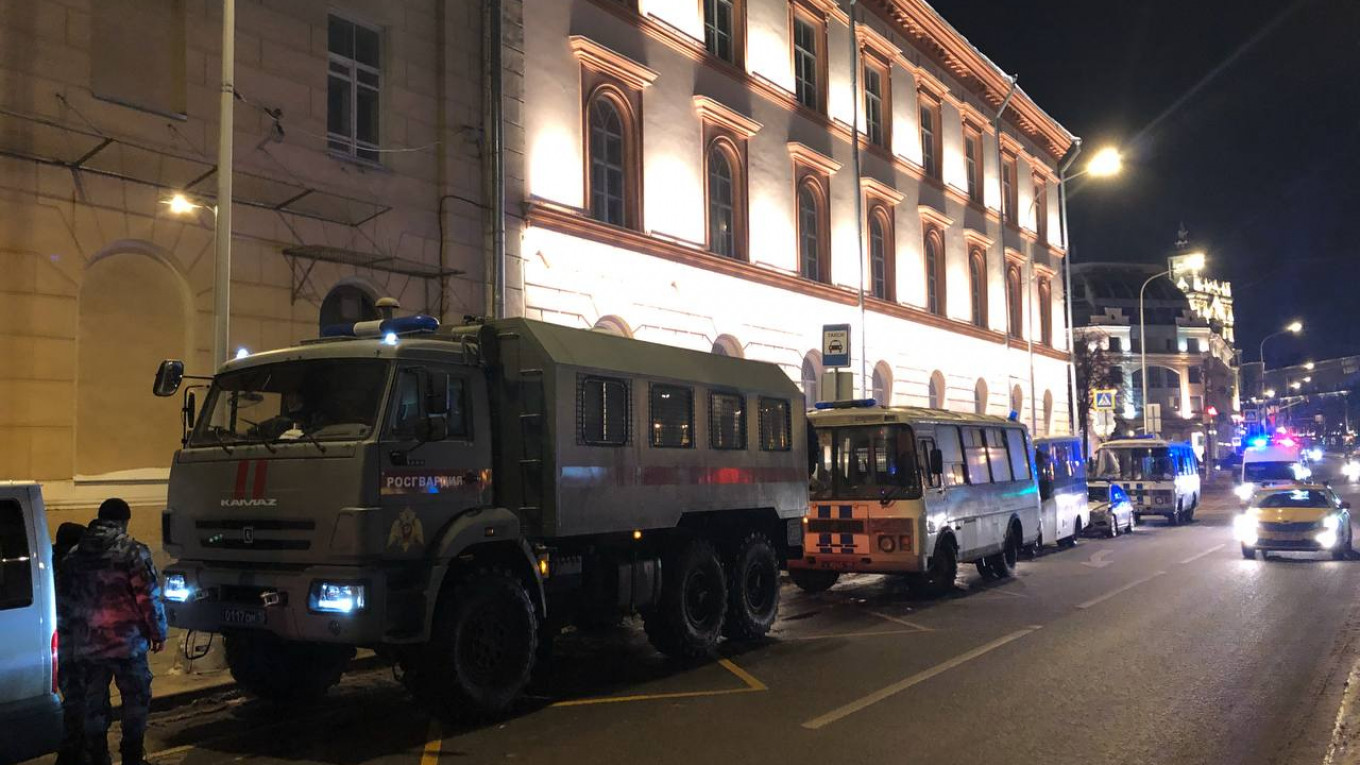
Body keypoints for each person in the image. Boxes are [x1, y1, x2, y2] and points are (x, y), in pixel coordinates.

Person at [57, 499, 167, 765]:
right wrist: (158, 632)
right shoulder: (133, 552)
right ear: (124, 521)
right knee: (136, 700)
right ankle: (132, 757)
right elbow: (148, 597)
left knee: (94, 703)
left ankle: (97, 756)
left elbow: (67, 602)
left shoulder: (74, 555)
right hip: (127, 644)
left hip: (88, 645)